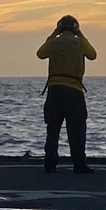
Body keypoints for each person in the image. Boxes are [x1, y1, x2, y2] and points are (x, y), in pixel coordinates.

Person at [37, 15, 97, 173]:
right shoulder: (80, 43)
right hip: (73, 91)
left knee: (52, 130)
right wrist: (81, 35)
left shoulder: (53, 43)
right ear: (76, 28)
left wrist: (53, 34)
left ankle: (50, 164)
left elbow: (40, 54)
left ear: (59, 27)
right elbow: (93, 55)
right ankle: (79, 165)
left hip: (54, 90)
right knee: (76, 130)